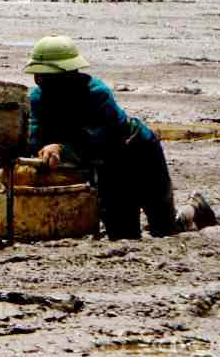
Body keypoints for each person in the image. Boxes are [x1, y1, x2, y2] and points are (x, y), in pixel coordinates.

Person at [24, 35, 176, 239]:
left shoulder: (96, 93)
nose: (40, 81)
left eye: (46, 76)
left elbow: (102, 140)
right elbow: (35, 137)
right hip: (107, 167)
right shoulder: (38, 98)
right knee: (122, 232)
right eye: (38, 76)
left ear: (70, 74)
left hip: (138, 151)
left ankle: (193, 213)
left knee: (163, 226)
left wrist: (62, 148)